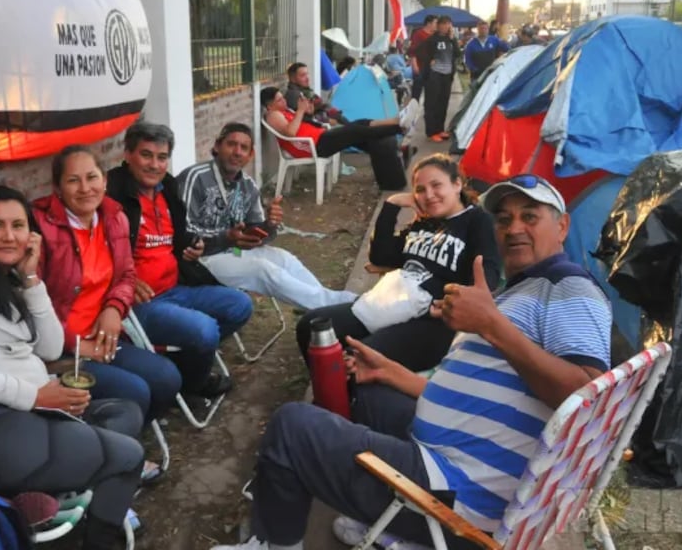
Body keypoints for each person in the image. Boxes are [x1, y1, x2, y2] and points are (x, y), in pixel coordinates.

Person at [210, 175, 612, 550]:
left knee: (292, 427)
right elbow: (488, 389)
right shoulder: (528, 288)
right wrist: (392, 372)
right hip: (460, 457)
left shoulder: (569, 287)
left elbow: (585, 395)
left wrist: (491, 325)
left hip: (461, 496)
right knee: (367, 394)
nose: (513, 228)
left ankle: (277, 539)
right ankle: (378, 513)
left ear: (562, 227)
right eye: (504, 219)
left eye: (530, 216)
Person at [0, 186, 144, 550]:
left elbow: (50, 345)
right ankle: (93, 536)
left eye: (19, 225)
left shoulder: (7, 277)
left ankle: (39, 499)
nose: (9, 236)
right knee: (128, 456)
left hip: (22, 411)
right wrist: (34, 395)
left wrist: (31, 280)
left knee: (126, 412)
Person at [33, 145, 183, 482]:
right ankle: (115, 456)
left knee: (167, 379)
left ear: (104, 180)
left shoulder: (112, 216)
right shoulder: (42, 228)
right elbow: (29, 302)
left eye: (92, 177)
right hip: (60, 350)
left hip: (106, 337)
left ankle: (121, 441)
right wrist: (75, 345)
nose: (85, 188)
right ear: (58, 188)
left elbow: (126, 275)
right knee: (136, 390)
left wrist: (115, 309)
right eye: (73, 180)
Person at [296, 153, 500, 371]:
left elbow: (489, 272)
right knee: (310, 327)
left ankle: (348, 401)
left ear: (457, 184)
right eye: (420, 190)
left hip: (435, 320)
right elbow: (381, 256)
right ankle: (328, 393)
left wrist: (451, 302)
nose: (429, 195)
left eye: (436, 185)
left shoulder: (477, 220)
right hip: (394, 303)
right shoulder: (423, 223)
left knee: (357, 359)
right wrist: (391, 205)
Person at [106, 122, 253, 397]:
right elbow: (97, 248)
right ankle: (192, 384)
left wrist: (193, 246)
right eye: (146, 155)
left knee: (240, 304)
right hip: (140, 302)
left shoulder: (167, 188)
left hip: (176, 287)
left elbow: (179, 235)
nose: (154, 165)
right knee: (205, 329)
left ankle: (183, 363)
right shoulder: (111, 192)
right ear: (127, 154)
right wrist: (124, 279)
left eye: (162, 157)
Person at [178, 123, 358, 311]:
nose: (237, 152)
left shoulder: (248, 185)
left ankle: (324, 308)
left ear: (251, 155)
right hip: (203, 259)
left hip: (235, 252)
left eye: (244, 148)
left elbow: (255, 233)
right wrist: (227, 237)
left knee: (284, 259)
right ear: (217, 146)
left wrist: (269, 224)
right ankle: (339, 305)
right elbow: (184, 231)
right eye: (231, 144)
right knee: (263, 269)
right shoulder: (196, 177)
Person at [261, 86, 412, 192]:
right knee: (356, 130)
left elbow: (301, 124)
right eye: (280, 100)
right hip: (316, 145)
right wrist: (300, 111)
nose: (284, 102)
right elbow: (291, 133)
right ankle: (400, 127)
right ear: (269, 105)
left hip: (320, 137)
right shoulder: (273, 115)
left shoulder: (284, 111)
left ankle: (397, 121)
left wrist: (307, 111)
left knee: (359, 126)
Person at [422, 15, 460, 142]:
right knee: (432, 103)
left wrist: (453, 39)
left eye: (448, 24)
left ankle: (440, 129)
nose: (446, 26)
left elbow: (458, 54)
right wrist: (429, 61)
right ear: (438, 25)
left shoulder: (450, 40)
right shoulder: (432, 40)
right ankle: (431, 131)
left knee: (443, 103)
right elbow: (422, 54)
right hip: (434, 75)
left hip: (447, 75)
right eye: (443, 24)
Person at [408, 15, 438, 101]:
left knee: (431, 94)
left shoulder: (436, 36)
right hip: (420, 67)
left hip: (432, 69)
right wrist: (414, 64)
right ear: (429, 23)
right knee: (416, 93)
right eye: (435, 23)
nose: (437, 25)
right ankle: (413, 111)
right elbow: (413, 51)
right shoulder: (419, 34)